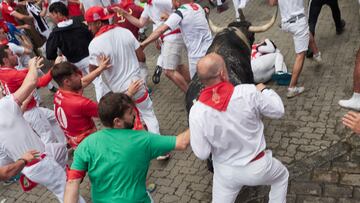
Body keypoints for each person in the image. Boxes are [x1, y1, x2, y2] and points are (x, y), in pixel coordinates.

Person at [189, 53, 289, 203]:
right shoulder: (247, 92)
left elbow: (202, 153)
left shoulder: (196, 111)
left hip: (225, 172)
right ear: (222, 73)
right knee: (281, 177)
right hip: (258, 167)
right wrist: (264, 90)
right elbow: (278, 110)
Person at [64, 92, 190, 202]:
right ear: (117, 121)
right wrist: (199, 116)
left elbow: (72, 182)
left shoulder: (87, 144)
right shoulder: (143, 139)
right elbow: (182, 142)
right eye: (130, 113)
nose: (135, 115)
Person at [0, 56, 85, 202]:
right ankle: (66, 180)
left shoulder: (6, 108)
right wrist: (33, 65)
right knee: (67, 192)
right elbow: (34, 81)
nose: (2, 88)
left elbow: (4, 164)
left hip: (39, 157)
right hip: (38, 163)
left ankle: (66, 172)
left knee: (60, 149)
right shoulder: (5, 106)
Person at [85, 6, 160, 135]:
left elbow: (93, 72)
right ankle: (160, 151)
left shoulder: (94, 44)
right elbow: (141, 57)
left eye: (90, 24)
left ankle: (140, 144)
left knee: (127, 122)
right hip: (137, 84)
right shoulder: (125, 32)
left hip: (118, 92)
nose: (89, 28)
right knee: (148, 114)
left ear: (98, 22)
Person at [51, 55, 143, 148]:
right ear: (67, 82)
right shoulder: (80, 103)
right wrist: (129, 93)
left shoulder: (60, 92)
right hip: (90, 145)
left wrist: (100, 69)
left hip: (76, 142)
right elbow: (109, 111)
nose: (80, 76)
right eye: (75, 75)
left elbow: (84, 82)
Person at [116, 0, 190, 92]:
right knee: (178, 66)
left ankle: (190, 94)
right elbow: (140, 23)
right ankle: (195, 87)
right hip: (166, 36)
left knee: (168, 71)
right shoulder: (147, 7)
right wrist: (125, 14)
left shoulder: (159, 1)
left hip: (172, 35)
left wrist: (170, 16)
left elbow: (182, 6)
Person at [0, 45, 66, 144]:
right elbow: (41, 82)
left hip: (27, 110)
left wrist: (32, 67)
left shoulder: (3, 71)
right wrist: (55, 66)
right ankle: (52, 157)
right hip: (30, 111)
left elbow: (22, 74)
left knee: (55, 118)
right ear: (5, 60)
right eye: (12, 54)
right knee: (47, 136)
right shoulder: (12, 75)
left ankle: (63, 145)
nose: (16, 56)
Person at [140, 0, 212, 79]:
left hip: (197, 58)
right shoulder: (197, 6)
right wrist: (169, 17)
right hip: (211, 49)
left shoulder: (180, 13)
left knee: (200, 84)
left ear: (177, 1)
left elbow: (160, 30)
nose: (170, 3)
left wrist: (143, 44)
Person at [268, 0, 321, 98]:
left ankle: (316, 53)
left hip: (286, 23)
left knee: (306, 33)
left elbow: (272, 3)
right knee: (300, 55)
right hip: (298, 22)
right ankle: (292, 88)